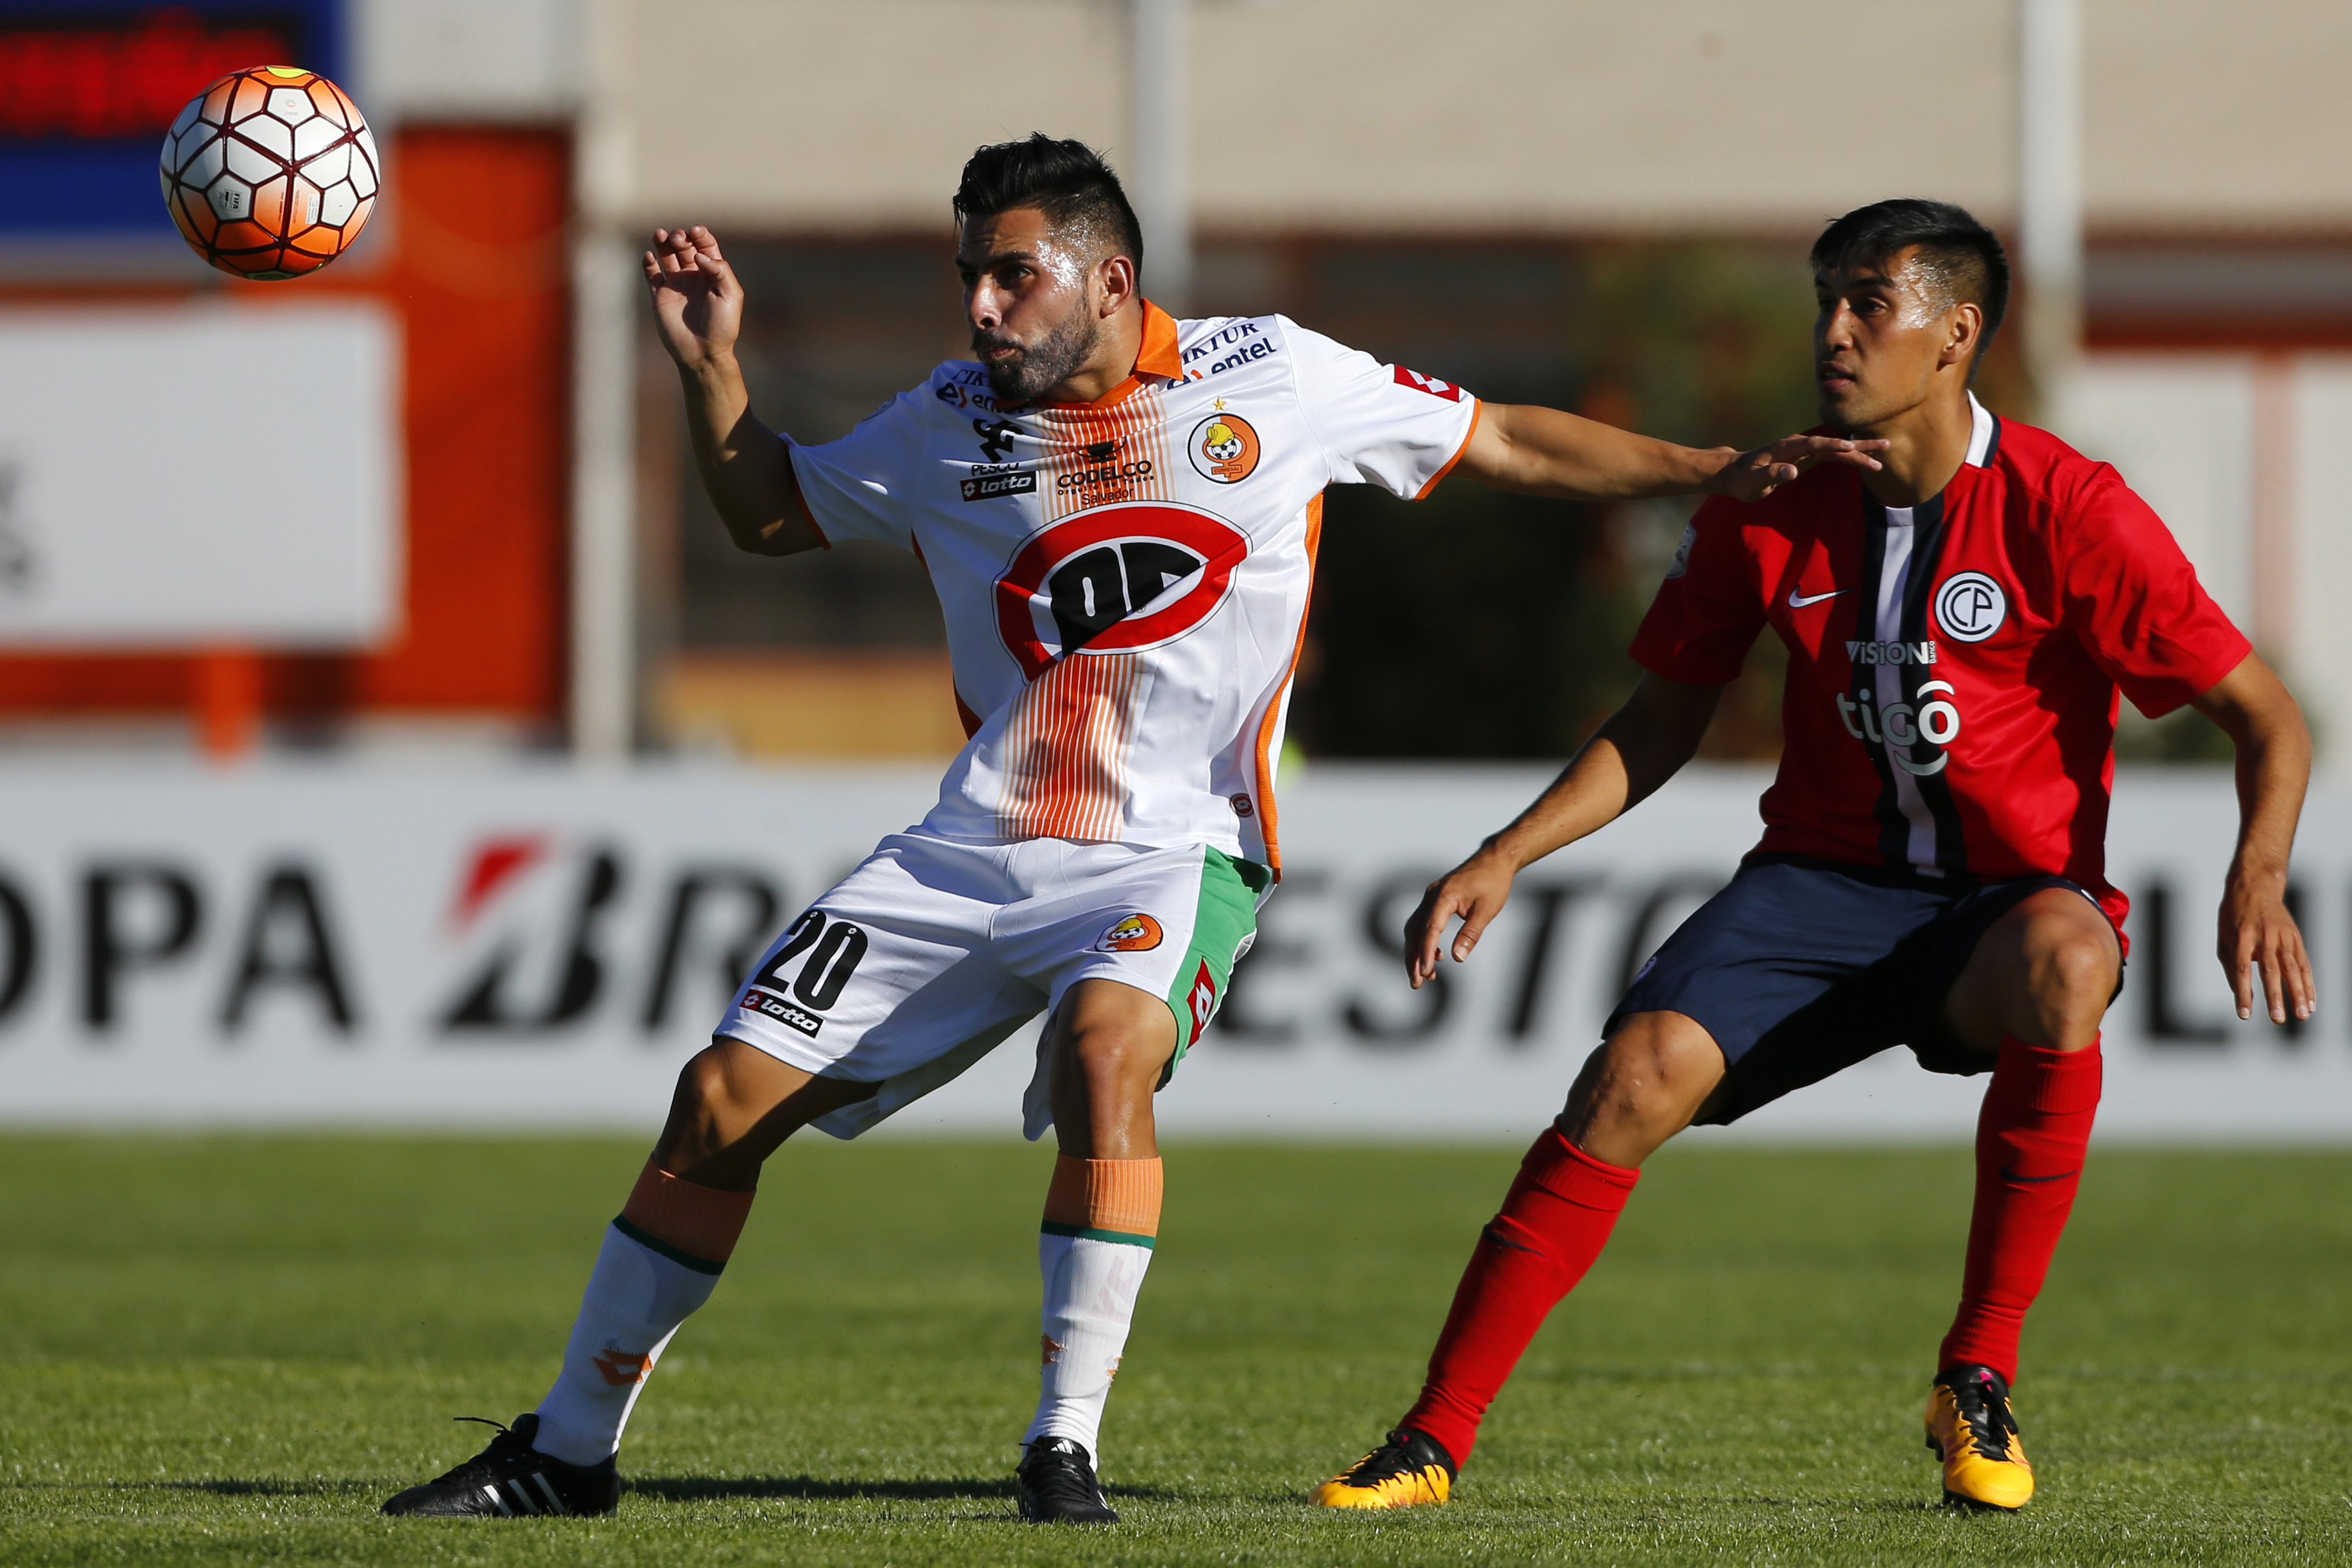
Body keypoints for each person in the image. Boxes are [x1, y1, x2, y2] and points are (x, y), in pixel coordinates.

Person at [379, 134, 1880, 1524]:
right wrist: (711, 370)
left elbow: (1499, 442)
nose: (980, 306)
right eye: (967, 274)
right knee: (715, 1101)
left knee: (1109, 1051)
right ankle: (567, 1453)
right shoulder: (946, 419)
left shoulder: (1269, 375)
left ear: (1107, 279)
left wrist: (1705, 469)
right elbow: (770, 515)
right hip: (968, 847)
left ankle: (1062, 1444)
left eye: (1009, 273)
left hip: (1175, 848)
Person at [1311, 197, 2315, 1515]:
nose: (1833, 332)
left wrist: (2255, 876)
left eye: (1868, 305)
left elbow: (2266, 716)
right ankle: (1430, 1441)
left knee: (2071, 960)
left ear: (1954, 334)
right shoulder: (1767, 506)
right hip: (1818, 889)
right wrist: (1507, 852)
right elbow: (1660, 718)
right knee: (1630, 1078)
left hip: (2001, 905)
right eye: (1825, 302)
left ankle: (1976, 1375)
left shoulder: (2068, 507)